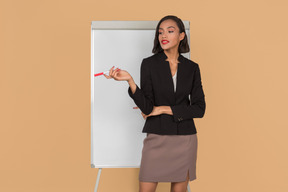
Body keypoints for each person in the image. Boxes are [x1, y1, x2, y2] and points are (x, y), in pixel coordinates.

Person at [104, 15, 206, 192]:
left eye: (170, 31)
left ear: (181, 36)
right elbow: (148, 108)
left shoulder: (192, 68)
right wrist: (130, 82)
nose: (163, 35)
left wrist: (164, 109)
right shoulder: (149, 64)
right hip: (157, 137)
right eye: (160, 32)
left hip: (185, 138)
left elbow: (199, 109)